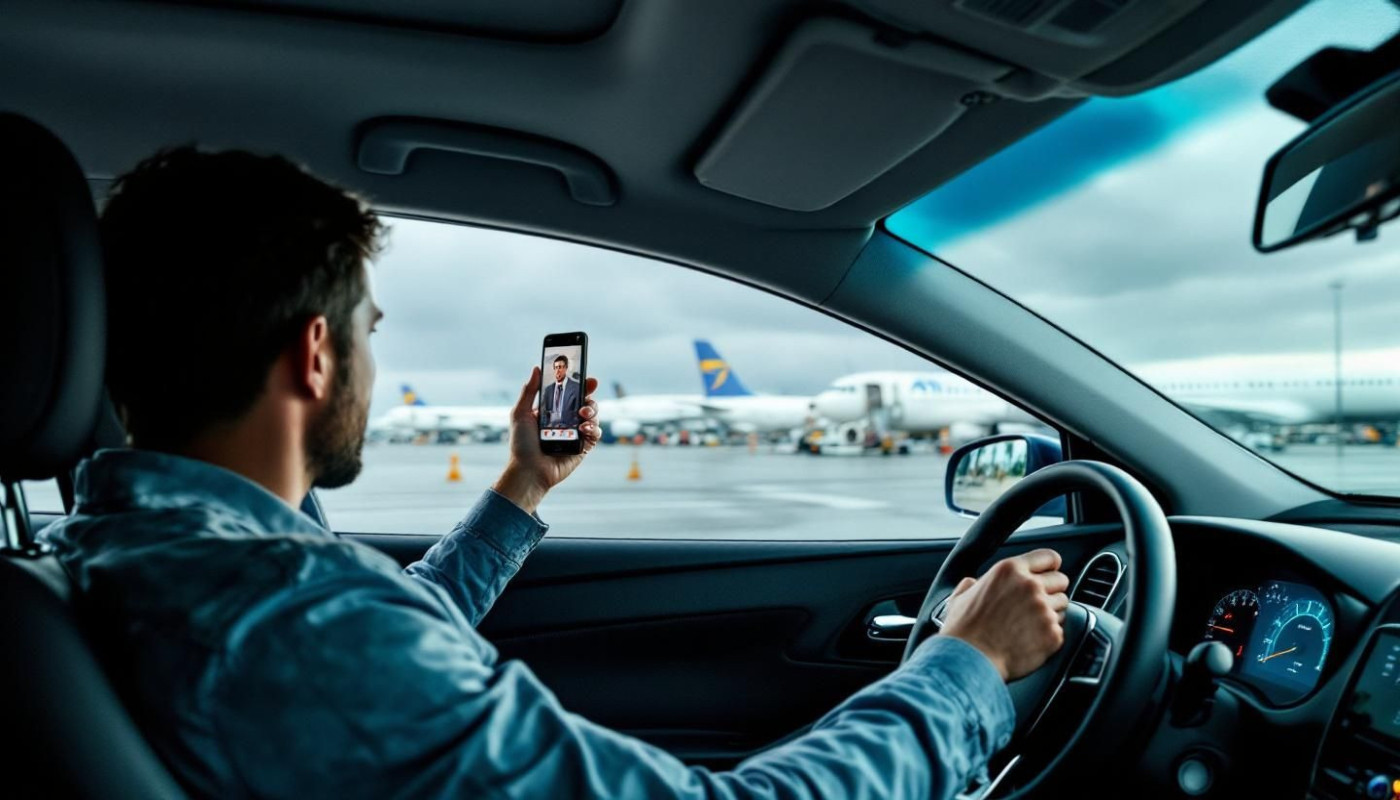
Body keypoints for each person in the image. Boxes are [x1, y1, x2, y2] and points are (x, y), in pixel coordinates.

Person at [41, 147, 1069, 799]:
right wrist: (963, 668)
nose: (371, 362)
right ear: (315, 354)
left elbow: (391, 633)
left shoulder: (163, 559)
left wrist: (521, 486)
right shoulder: (284, 618)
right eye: (368, 331)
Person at [542, 353, 581, 428]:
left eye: (559, 367)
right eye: (555, 368)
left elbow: (577, 414)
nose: (557, 371)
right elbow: (545, 414)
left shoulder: (576, 387)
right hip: (550, 430)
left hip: (569, 429)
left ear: (566, 368)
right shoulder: (548, 390)